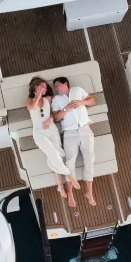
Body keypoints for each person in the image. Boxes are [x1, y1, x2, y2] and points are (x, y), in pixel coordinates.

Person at [26, 77, 81, 199]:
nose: (45, 89)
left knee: (59, 155)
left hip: (51, 130)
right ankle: (69, 175)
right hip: (39, 133)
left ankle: (60, 186)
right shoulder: (30, 100)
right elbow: (32, 107)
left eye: (46, 87)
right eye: (42, 86)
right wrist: (38, 95)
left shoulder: (48, 99)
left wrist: (50, 119)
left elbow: (51, 114)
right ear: (36, 87)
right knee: (53, 154)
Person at [51, 76, 96, 207]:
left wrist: (82, 102)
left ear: (66, 84)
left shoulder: (78, 90)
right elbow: (56, 118)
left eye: (58, 85)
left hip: (85, 129)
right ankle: (70, 193)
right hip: (69, 133)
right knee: (70, 162)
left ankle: (89, 192)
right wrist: (66, 108)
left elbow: (92, 100)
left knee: (89, 159)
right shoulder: (57, 100)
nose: (56, 88)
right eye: (55, 86)